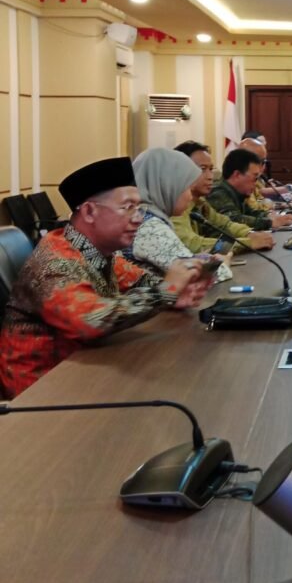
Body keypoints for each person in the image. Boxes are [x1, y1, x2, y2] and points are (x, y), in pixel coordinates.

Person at [0, 157, 210, 398]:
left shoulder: (98, 253)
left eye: (139, 207)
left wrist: (177, 292)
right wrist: (166, 291)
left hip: (82, 370)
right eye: (128, 207)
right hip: (39, 392)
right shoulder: (55, 261)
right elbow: (93, 319)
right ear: (89, 211)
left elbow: (143, 281)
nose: (138, 218)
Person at [127, 148, 232, 281]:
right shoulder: (150, 227)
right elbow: (195, 277)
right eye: (188, 188)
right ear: (167, 187)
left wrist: (198, 259)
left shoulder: (146, 215)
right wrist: (222, 264)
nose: (190, 196)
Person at [171, 141, 275, 254]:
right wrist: (247, 243)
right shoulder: (174, 205)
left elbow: (225, 224)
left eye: (211, 169)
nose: (210, 176)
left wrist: (249, 233)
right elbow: (193, 245)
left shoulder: (200, 202)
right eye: (202, 169)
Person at [207, 148, 284, 232]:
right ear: (237, 175)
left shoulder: (237, 193)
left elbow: (250, 212)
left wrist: (269, 215)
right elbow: (234, 219)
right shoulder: (218, 193)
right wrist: (269, 223)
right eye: (254, 178)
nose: (256, 184)